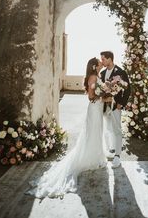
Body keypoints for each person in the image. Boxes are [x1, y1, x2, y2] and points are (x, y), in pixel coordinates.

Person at [26, 57, 106, 198]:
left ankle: (95, 156)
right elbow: (91, 96)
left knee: (97, 132)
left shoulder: (96, 76)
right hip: (94, 108)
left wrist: (104, 94)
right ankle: (90, 158)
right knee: (92, 132)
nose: (101, 63)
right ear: (94, 66)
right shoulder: (93, 77)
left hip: (97, 109)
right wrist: (104, 96)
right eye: (99, 62)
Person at [100, 51, 131, 169]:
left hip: (115, 106)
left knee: (117, 130)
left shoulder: (120, 72)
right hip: (104, 106)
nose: (102, 61)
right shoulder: (102, 73)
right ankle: (110, 150)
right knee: (107, 129)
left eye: (103, 59)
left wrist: (121, 103)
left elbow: (128, 89)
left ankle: (117, 156)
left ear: (110, 59)